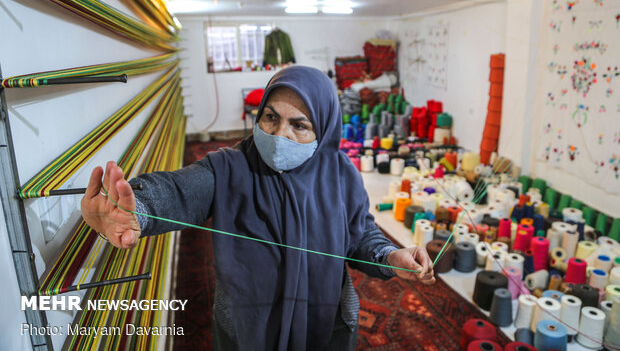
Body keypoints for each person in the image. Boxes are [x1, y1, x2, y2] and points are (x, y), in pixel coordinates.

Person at [81, 65, 435, 351]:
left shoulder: (342, 175)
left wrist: (389, 256)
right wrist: (136, 208)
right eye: (270, 117)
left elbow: (359, 236)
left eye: (299, 125)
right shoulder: (230, 167)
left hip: (326, 323)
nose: (280, 134)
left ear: (324, 131)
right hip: (248, 329)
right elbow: (178, 190)